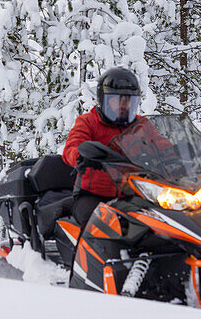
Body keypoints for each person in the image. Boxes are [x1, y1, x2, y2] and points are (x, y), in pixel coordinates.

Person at [62, 67, 174, 227]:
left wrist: (186, 152)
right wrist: (81, 157)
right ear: (104, 100)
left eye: (128, 100)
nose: (123, 105)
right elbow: (72, 148)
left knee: (163, 225)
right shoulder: (88, 122)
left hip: (133, 194)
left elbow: (161, 145)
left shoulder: (140, 125)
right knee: (97, 225)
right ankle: (82, 252)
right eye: (117, 100)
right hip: (93, 196)